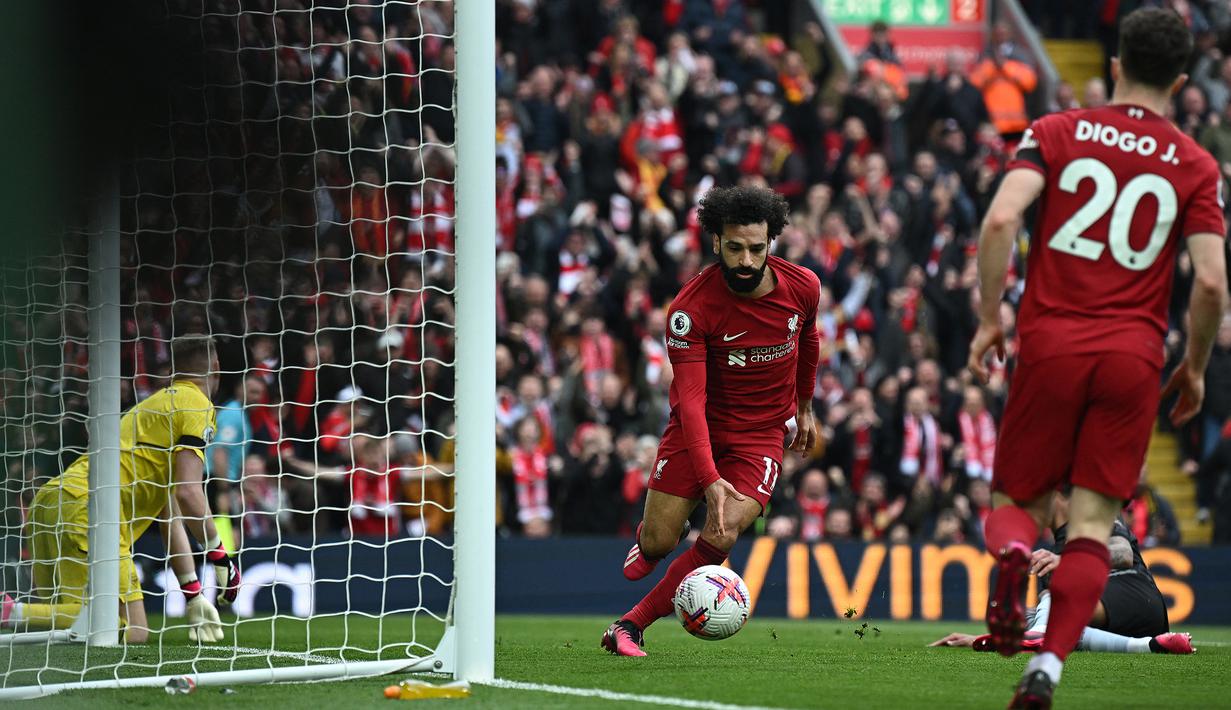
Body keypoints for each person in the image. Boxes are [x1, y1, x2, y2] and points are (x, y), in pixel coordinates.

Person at [968, 8, 1227, 707]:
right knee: (1089, 528)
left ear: (1113, 65)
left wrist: (990, 319)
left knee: (1013, 505)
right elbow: (1209, 281)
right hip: (1131, 357)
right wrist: (1194, 367)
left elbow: (999, 219)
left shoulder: (1056, 130)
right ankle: (1046, 669)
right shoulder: (1195, 163)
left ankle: (1013, 556)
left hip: (1051, 341)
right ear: (1178, 80)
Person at [601, 185, 820, 656]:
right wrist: (709, 479)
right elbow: (692, 402)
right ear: (716, 241)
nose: (745, 260)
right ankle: (652, 541)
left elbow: (809, 342)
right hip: (696, 429)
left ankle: (629, 626)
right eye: (735, 247)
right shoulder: (690, 310)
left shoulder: (803, 286)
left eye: (757, 249)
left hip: (760, 435)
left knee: (722, 530)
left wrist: (804, 406)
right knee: (660, 541)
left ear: (771, 244)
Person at [2, 335, 242, 643]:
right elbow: (188, 491)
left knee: (69, 634)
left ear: (172, 369)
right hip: (91, 512)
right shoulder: (197, 404)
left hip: (51, 502)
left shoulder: (152, 407)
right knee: (131, 629)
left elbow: (170, 518)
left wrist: (193, 594)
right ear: (216, 367)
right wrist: (221, 557)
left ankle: (18, 621)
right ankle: (9, 612)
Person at [930, 490, 1194, 655]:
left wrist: (1068, 559)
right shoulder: (1051, 553)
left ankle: (1043, 633)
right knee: (1054, 626)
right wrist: (984, 638)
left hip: (1137, 596)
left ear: (1054, 496)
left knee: (1055, 607)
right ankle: (1152, 646)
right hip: (1132, 628)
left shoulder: (1092, 519)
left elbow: (1123, 554)